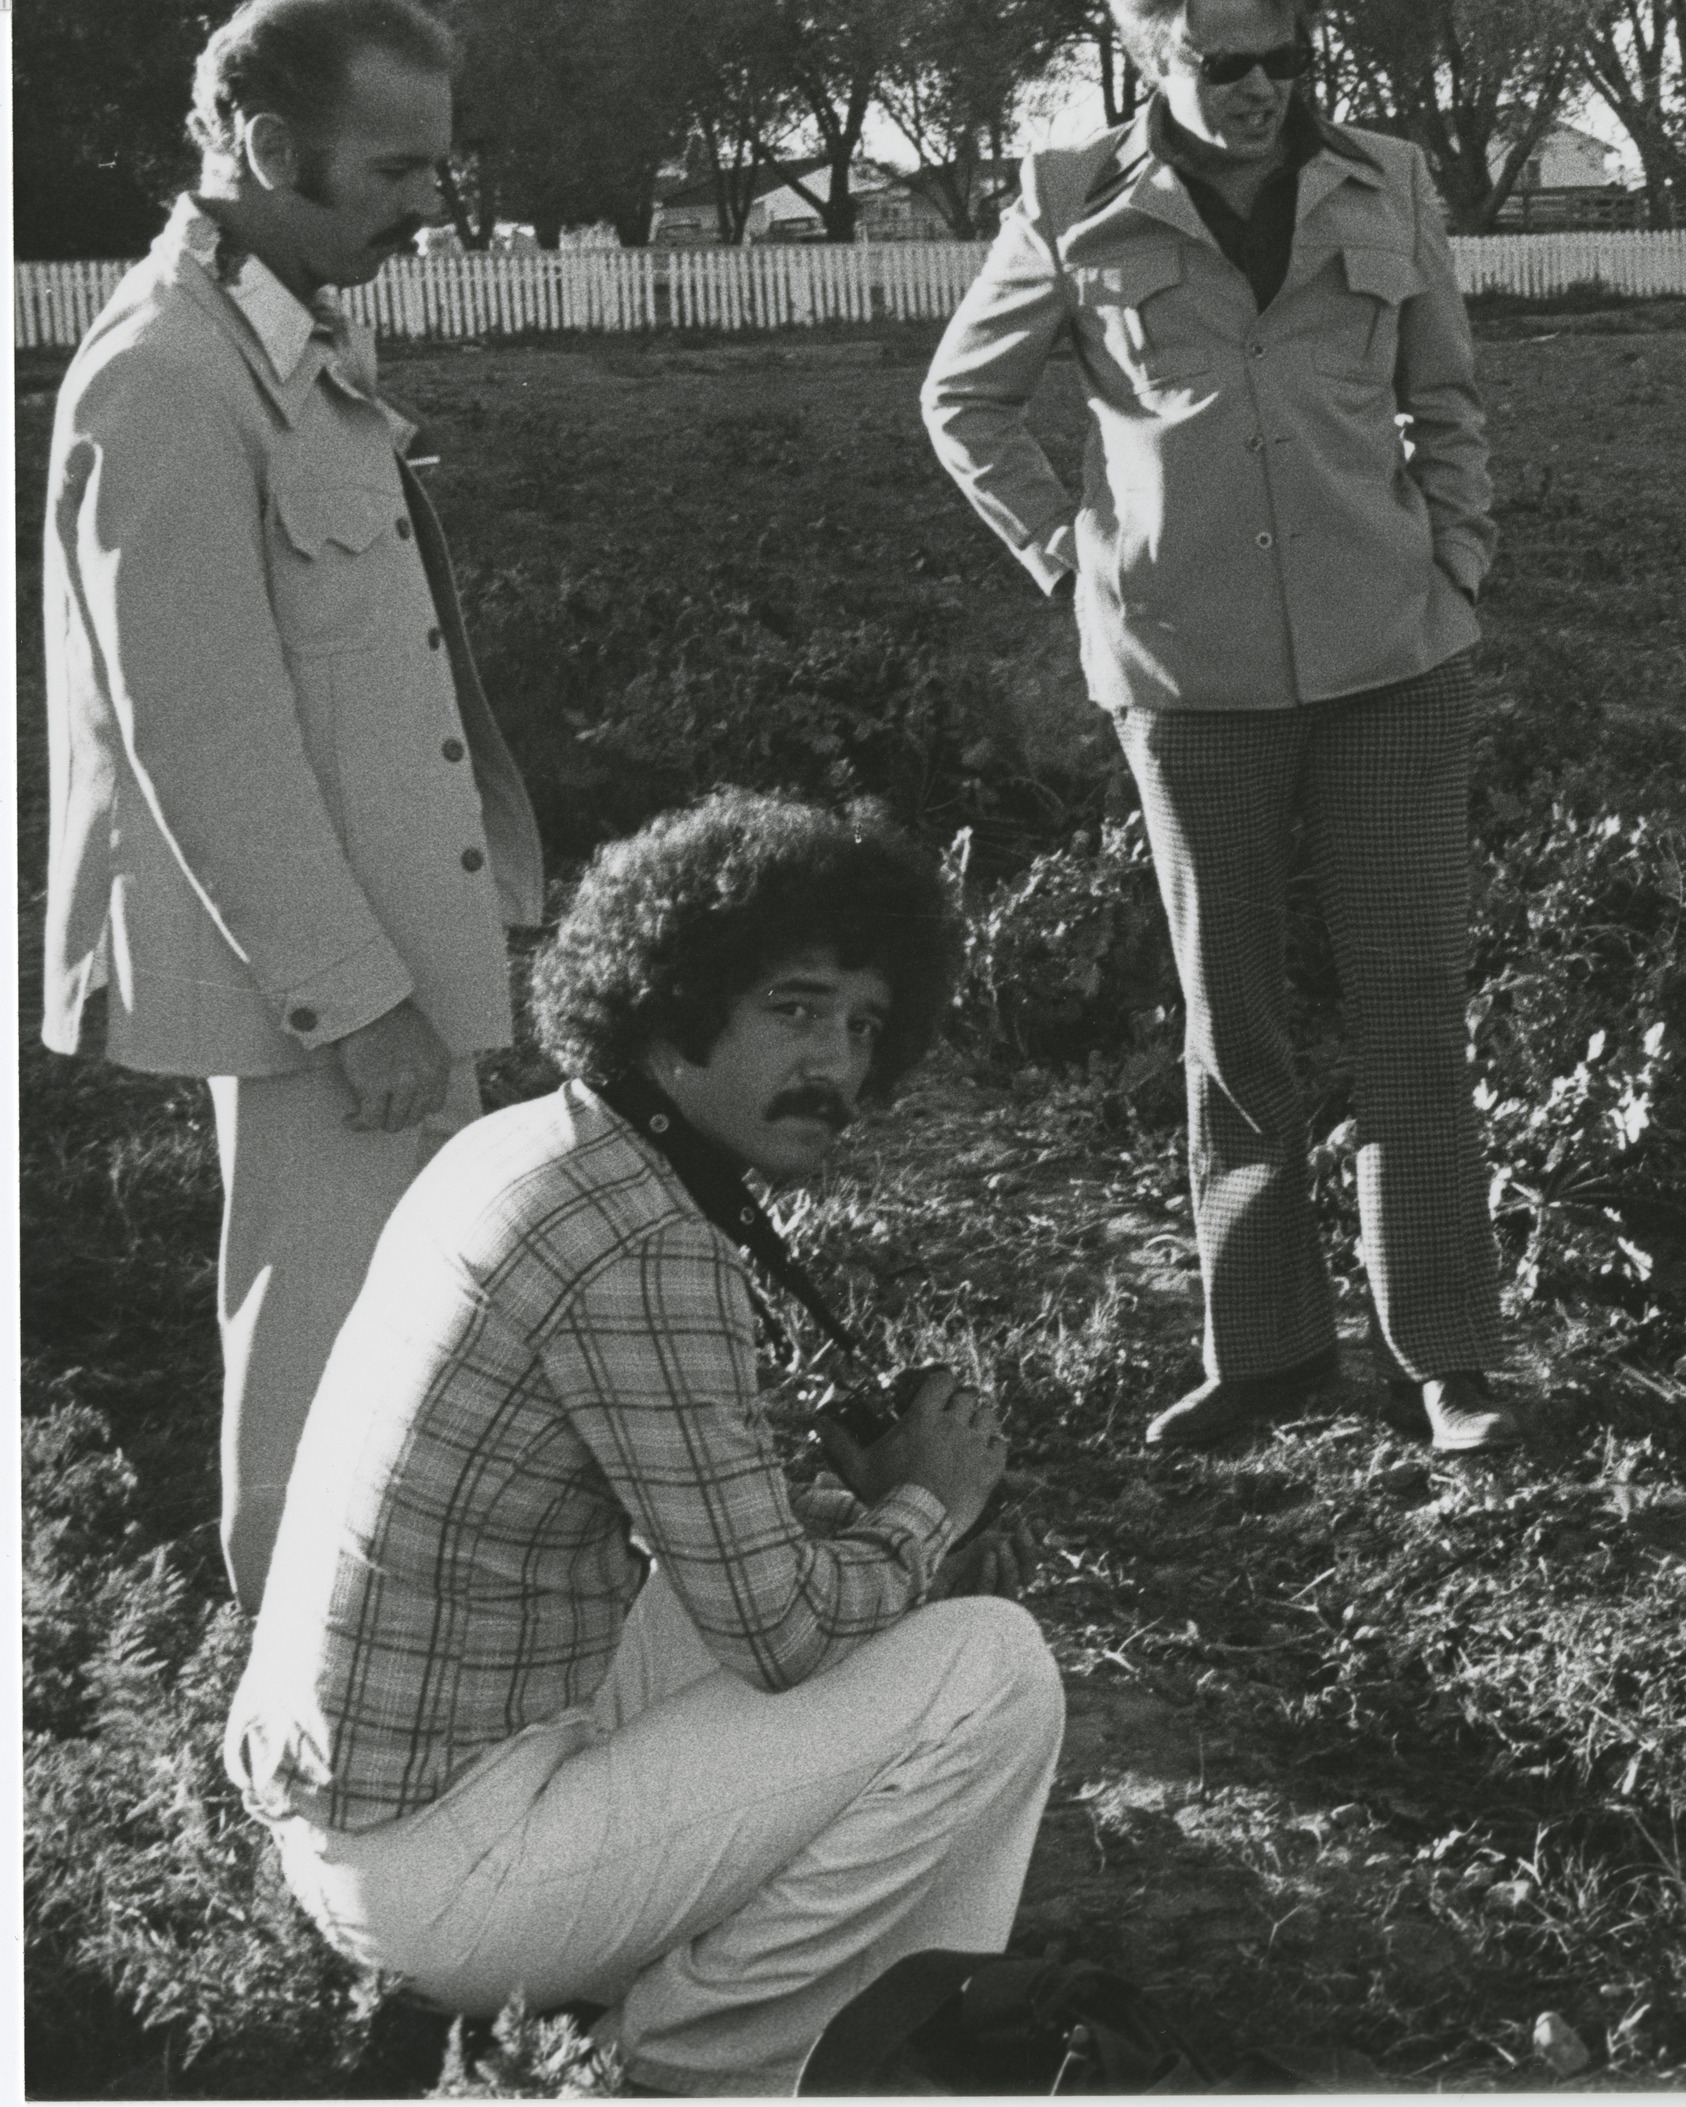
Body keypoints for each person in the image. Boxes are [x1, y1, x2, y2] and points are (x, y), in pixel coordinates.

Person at [223, 792, 1066, 2095]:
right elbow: (782, 1634)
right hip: (442, 1872)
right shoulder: (645, 1239)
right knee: (992, 1668)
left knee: (833, 1585)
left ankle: (769, 1991)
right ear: (675, 989)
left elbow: (708, 1546)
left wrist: (858, 1510)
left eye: (863, 1026)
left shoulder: (540, 1139)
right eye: (793, 1007)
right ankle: (692, 2061)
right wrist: (926, 1505)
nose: (835, 1062)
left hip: (358, 1804)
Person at [920, 0, 1514, 1454]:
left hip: (1394, 658)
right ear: (1150, 57)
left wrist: (1456, 567)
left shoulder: (1385, 180)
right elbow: (965, 400)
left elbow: (1443, 393)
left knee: (1411, 1009)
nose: (1261, 91)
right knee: (1230, 1018)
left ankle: (1444, 1355)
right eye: (1222, 66)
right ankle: (1265, 1354)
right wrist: (1074, 563)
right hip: (1186, 679)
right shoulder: (1070, 200)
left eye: (1286, 60)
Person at [39, 0, 541, 1612]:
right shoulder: (165, 379)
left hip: (392, 953)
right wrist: (356, 999)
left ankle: (388, 1681)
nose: (429, 203)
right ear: (266, 144)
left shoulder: (286, 330)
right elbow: (204, 738)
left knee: (415, 1341)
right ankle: (299, 1727)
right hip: (326, 991)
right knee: (326, 1357)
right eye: (397, 168)